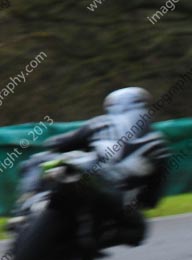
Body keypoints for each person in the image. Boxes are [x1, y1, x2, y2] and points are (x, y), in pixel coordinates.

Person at [36, 87, 170, 251]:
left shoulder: (100, 123)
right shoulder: (158, 143)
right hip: (115, 196)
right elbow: (152, 198)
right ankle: (90, 246)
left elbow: (58, 143)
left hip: (89, 178)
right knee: (138, 230)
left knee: (39, 160)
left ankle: (26, 210)